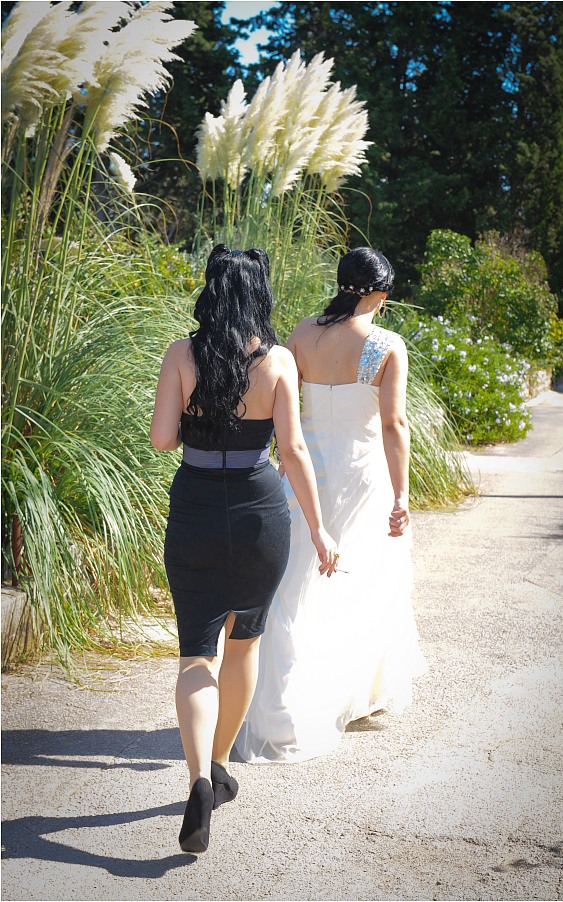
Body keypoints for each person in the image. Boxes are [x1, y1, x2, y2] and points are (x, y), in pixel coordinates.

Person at [150, 244, 337, 854]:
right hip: (260, 514)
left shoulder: (181, 354)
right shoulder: (277, 361)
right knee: (245, 642)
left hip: (196, 510)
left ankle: (199, 780)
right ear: (260, 293)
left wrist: (197, 419)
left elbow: (162, 440)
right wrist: (319, 529)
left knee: (195, 658)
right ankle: (222, 762)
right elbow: (294, 452)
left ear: (209, 290)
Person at [235, 246, 427, 763]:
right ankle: (343, 693)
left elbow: (282, 411)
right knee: (363, 581)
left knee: (294, 583)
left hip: (307, 473)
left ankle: (277, 704)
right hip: (363, 475)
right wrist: (402, 495)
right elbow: (394, 424)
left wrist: (278, 462)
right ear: (379, 294)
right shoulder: (387, 345)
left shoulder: (302, 334)